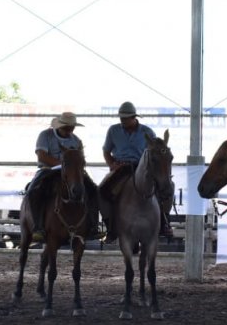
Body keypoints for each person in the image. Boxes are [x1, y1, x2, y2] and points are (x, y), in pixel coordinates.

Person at [100, 101, 173, 240]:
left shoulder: (147, 132)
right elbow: (106, 151)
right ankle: (110, 226)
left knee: (166, 187)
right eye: (121, 118)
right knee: (102, 190)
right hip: (120, 167)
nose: (122, 120)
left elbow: (155, 152)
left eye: (125, 118)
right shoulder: (113, 130)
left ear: (134, 117)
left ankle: (164, 222)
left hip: (142, 167)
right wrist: (111, 164)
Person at [26, 111, 101, 243]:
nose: (69, 129)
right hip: (47, 169)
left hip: (72, 172)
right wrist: (63, 164)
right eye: (67, 127)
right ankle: (37, 227)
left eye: (71, 127)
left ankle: (93, 226)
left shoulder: (76, 140)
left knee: (93, 190)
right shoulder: (45, 135)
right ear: (59, 126)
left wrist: (73, 167)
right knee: (33, 191)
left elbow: (80, 159)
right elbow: (41, 155)